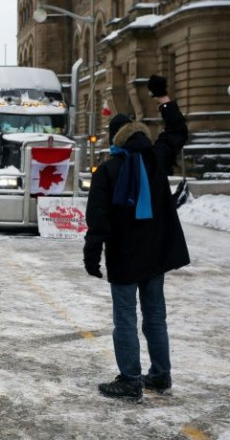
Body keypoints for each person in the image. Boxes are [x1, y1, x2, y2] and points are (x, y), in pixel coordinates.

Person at [83, 74, 190, 401]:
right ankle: (160, 374)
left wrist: (92, 254)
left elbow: (98, 219)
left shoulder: (108, 170)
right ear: (140, 134)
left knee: (125, 319)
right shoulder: (157, 157)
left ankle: (130, 379)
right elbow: (177, 132)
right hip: (155, 255)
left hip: (125, 257)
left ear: (116, 139)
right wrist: (163, 99)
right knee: (155, 316)